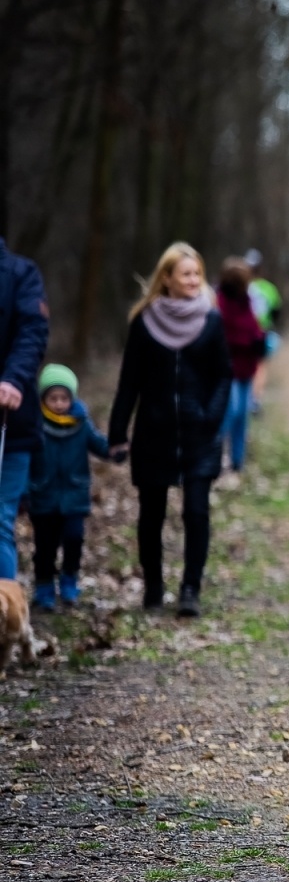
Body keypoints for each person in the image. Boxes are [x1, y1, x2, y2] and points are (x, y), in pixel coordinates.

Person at [108, 242, 232, 617]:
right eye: (186, 274)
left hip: (199, 435)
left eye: (197, 274)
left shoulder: (211, 321)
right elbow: (129, 382)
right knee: (151, 515)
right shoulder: (144, 323)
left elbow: (223, 376)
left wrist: (210, 416)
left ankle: (190, 589)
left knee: (196, 512)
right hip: (154, 433)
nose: (194, 281)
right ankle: (153, 588)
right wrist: (117, 433)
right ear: (166, 279)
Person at [26, 365, 110, 611]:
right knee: (45, 546)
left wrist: (115, 449)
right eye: (53, 398)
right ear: (43, 399)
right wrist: (25, 490)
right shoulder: (35, 425)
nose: (59, 404)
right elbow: (26, 458)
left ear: (72, 398)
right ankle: (44, 588)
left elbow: (99, 444)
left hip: (74, 496)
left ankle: (69, 580)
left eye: (64, 398)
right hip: (43, 497)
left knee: (74, 539)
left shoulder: (81, 423)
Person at [0, 238, 49, 581]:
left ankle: (7, 608)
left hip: (9, 421)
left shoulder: (21, 273)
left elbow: (33, 331)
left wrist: (13, 379)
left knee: (0, 518)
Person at [217, 258, 267, 471]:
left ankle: (238, 460)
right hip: (228, 369)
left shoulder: (246, 301)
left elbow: (254, 327)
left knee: (243, 415)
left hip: (247, 367)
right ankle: (217, 455)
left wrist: (260, 341)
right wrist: (248, 341)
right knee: (232, 411)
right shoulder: (219, 304)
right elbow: (224, 335)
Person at [243, 248, 281, 413]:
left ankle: (250, 398)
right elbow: (276, 311)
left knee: (250, 366)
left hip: (245, 333)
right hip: (261, 332)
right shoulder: (268, 288)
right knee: (260, 366)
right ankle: (255, 398)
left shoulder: (242, 287)